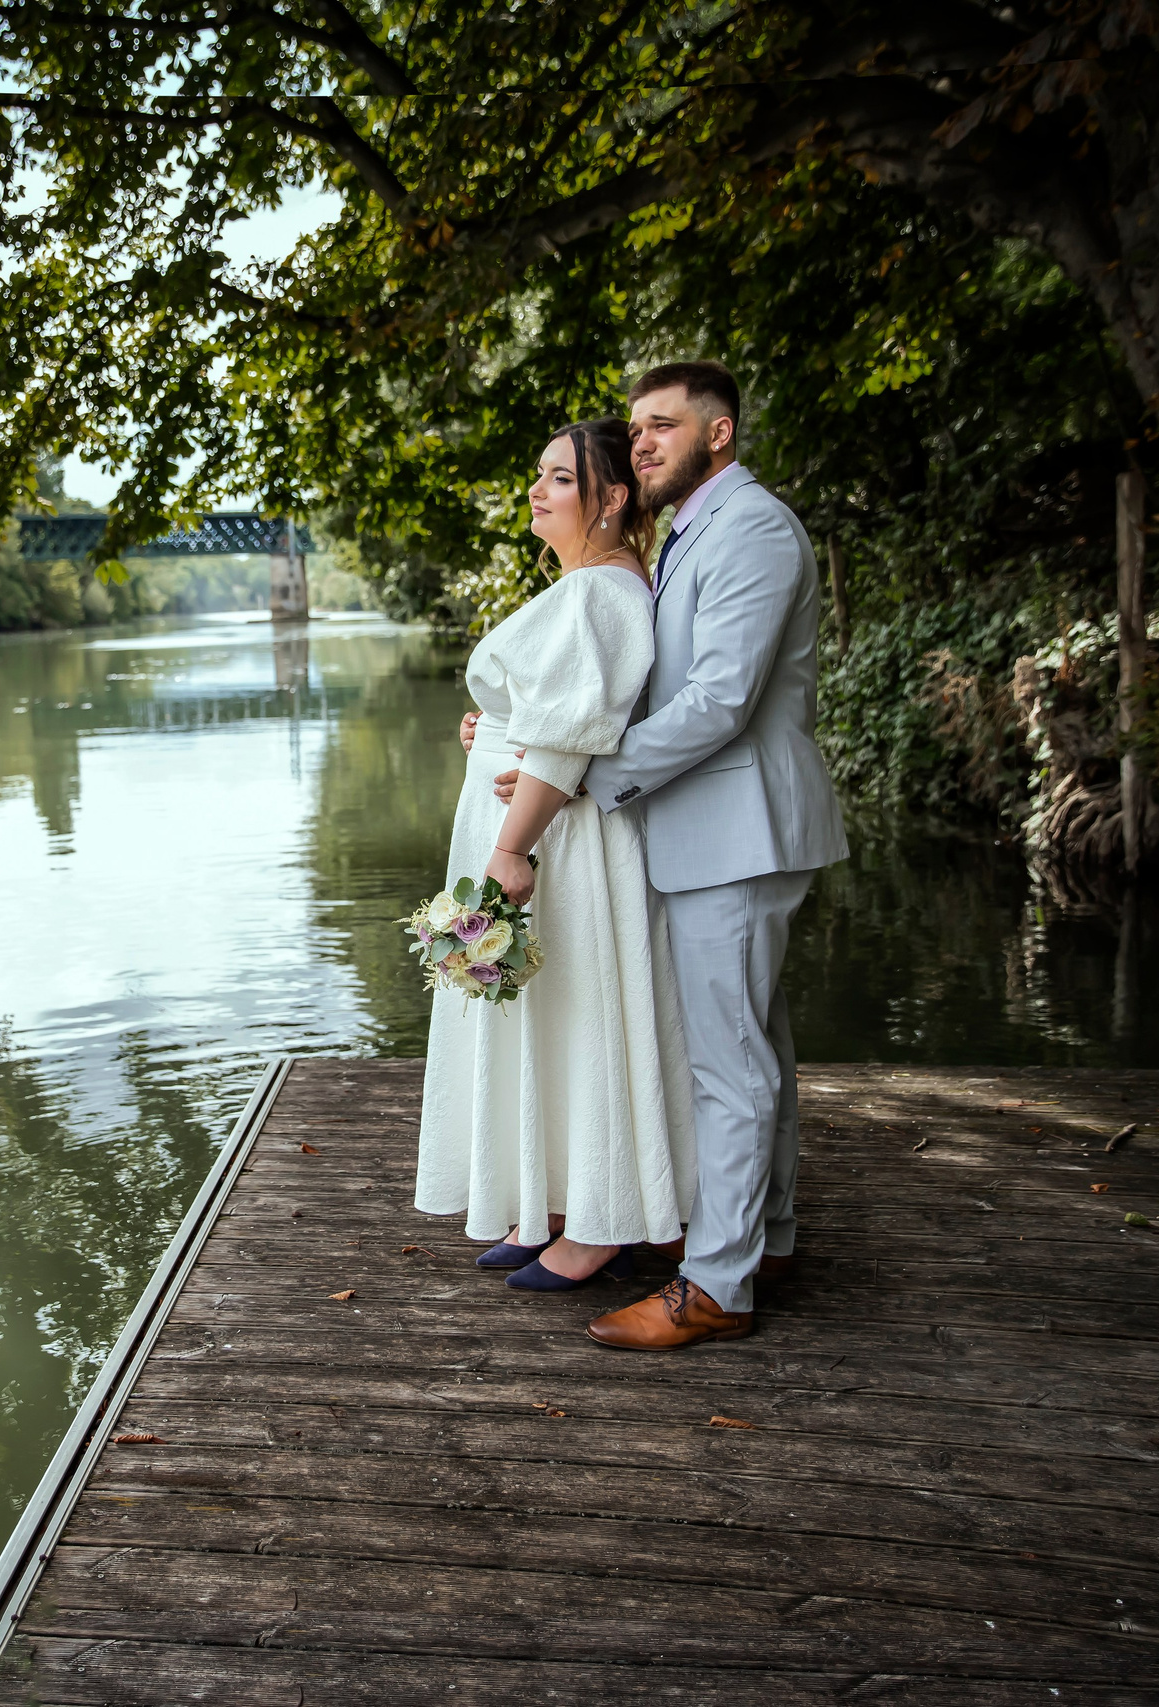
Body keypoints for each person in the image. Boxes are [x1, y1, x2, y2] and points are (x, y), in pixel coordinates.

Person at [494, 361, 847, 1349]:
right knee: (756, 1048)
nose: (640, 442)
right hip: (716, 828)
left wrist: (588, 778)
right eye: (636, 429)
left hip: (740, 828)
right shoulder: (699, 530)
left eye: (662, 426)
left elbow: (719, 703)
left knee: (726, 1067)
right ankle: (764, 1237)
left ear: (719, 434)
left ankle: (716, 1288)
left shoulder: (752, 529)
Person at [414, 419, 697, 1293]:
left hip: (558, 841)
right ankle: (561, 1203)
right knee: (553, 1017)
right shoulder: (587, 589)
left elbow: (571, 736)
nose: (537, 490)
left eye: (560, 479)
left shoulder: (600, 594)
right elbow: (551, 707)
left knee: (581, 1015)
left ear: (612, 499)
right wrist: (487, 728)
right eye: (536, 475)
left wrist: (509, 850)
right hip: (540, 819)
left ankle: (604, 1220)